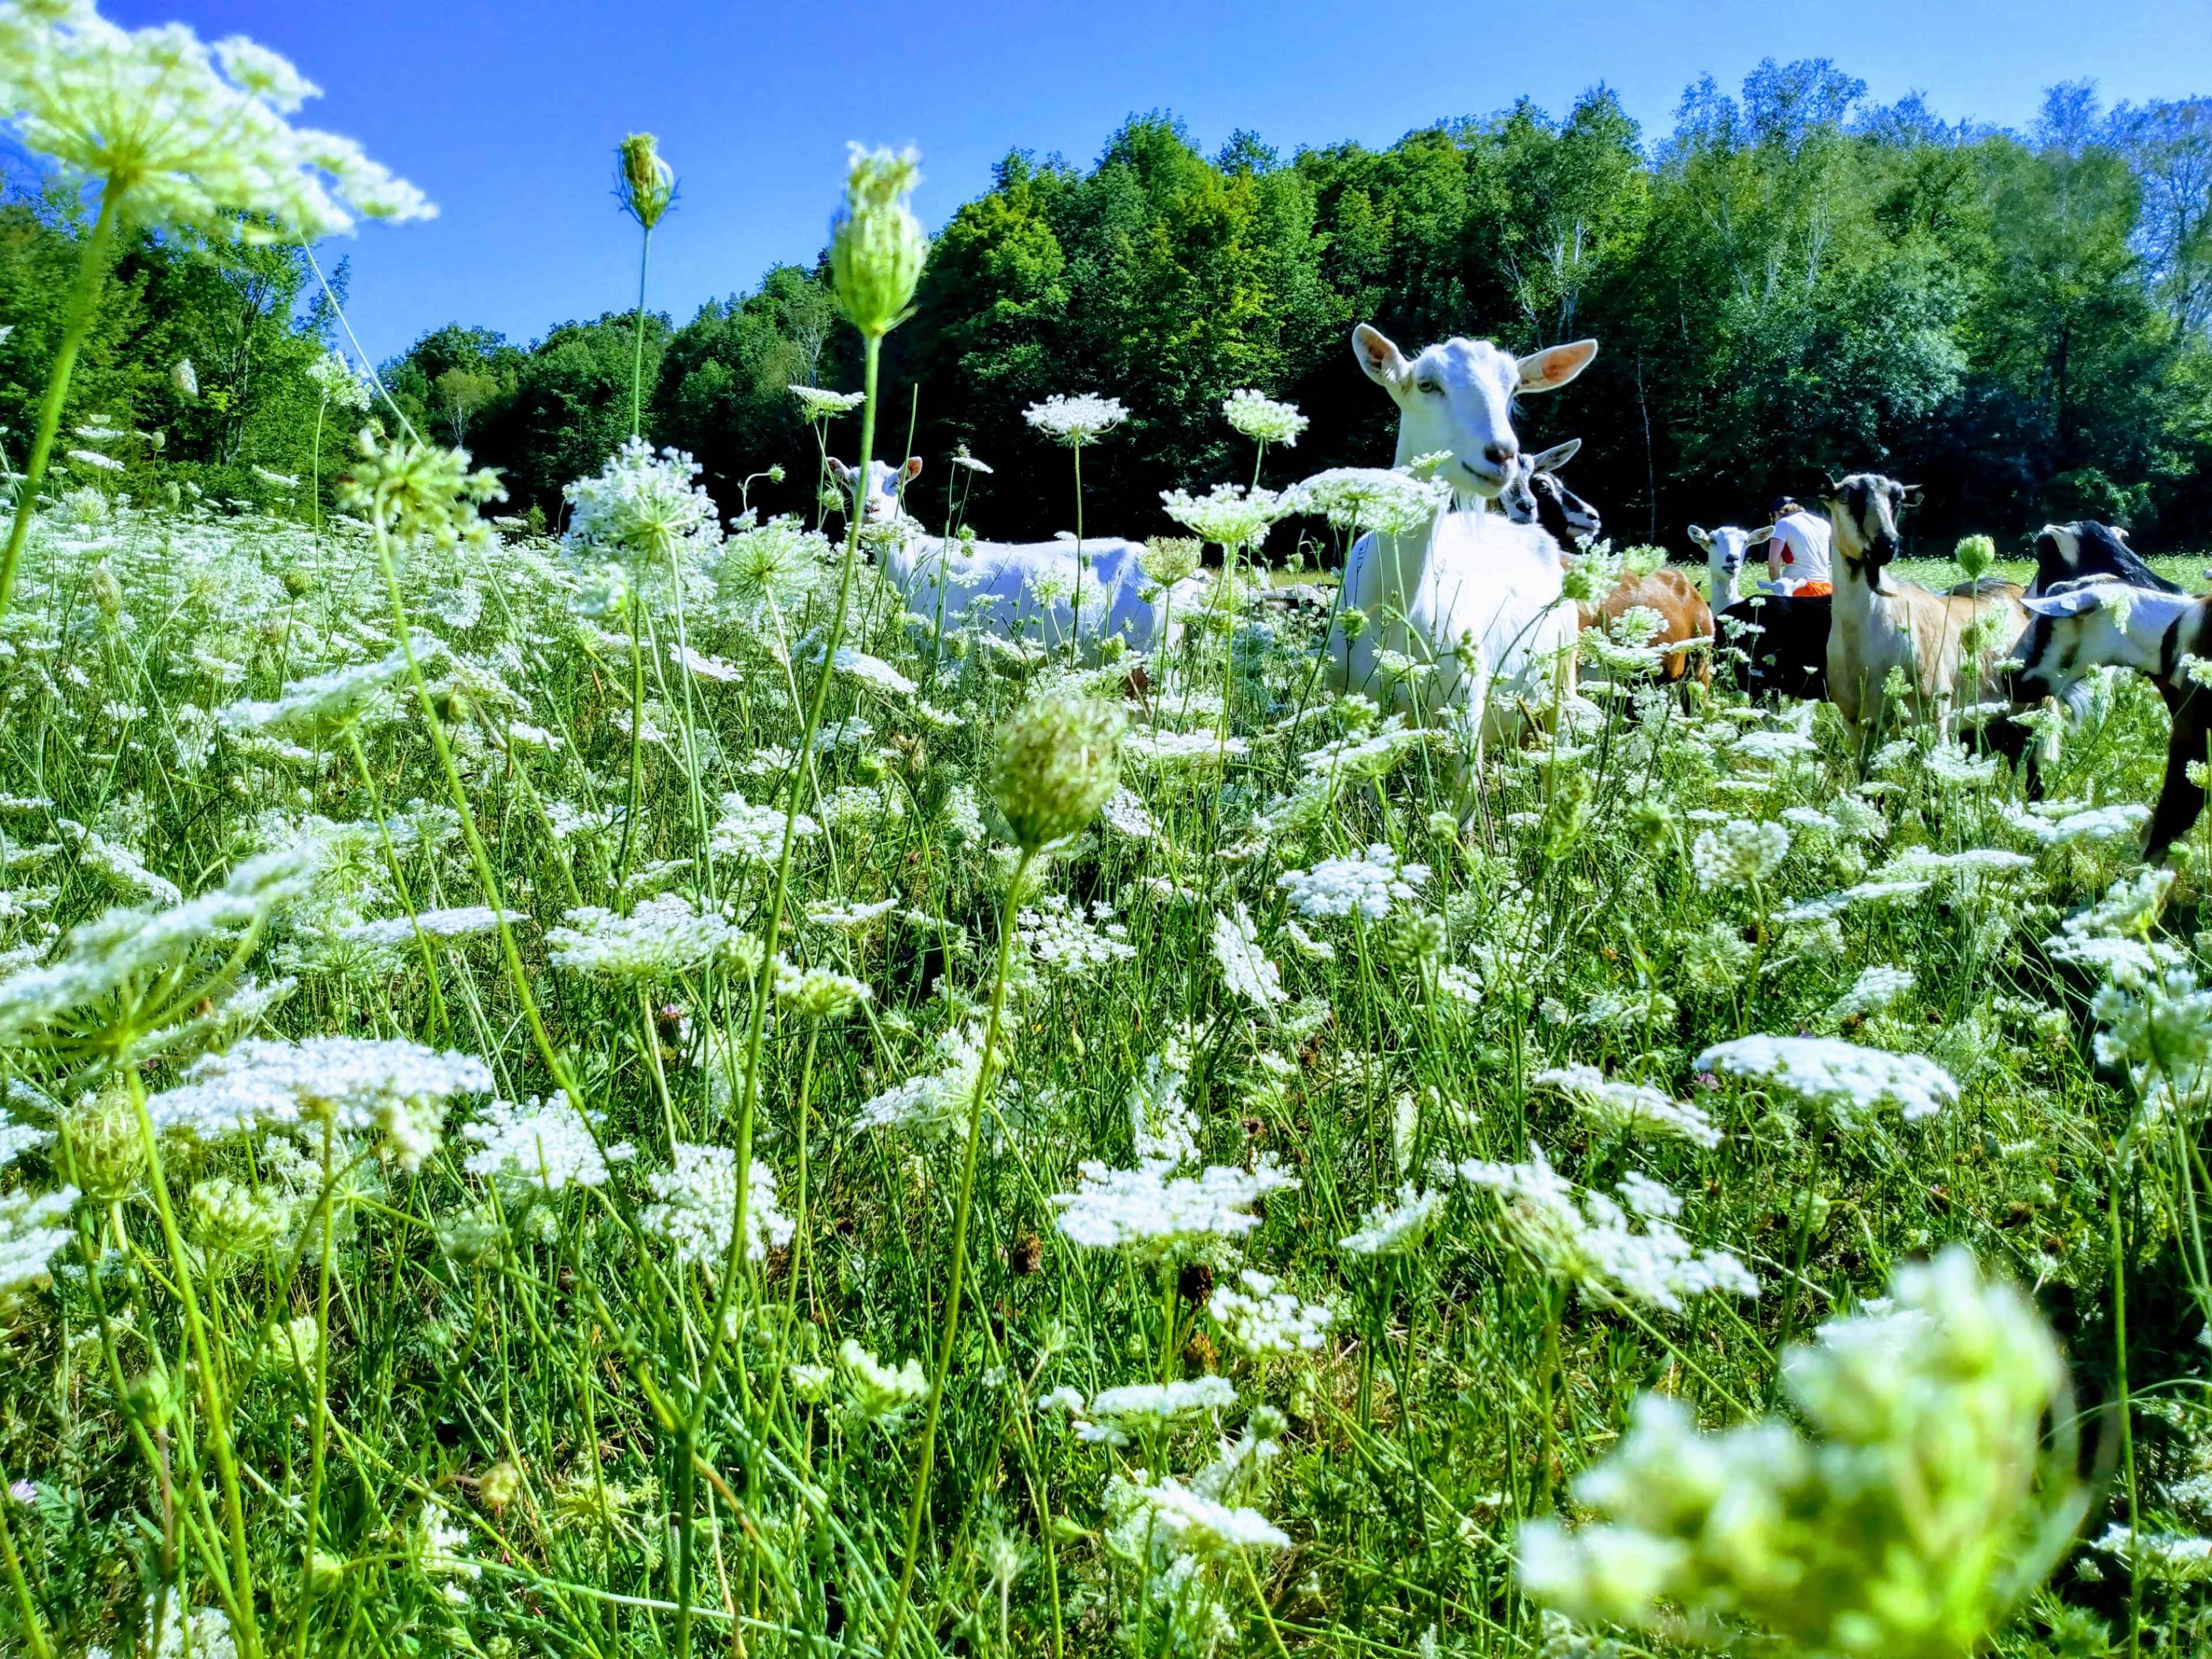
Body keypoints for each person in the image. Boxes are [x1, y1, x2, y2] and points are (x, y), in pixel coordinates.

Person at [1765, 495, 1833, 596]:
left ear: (1776, 514)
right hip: (1827, 590)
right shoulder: (1824, 524)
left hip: (1800, 590)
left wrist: (1777, 588)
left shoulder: (1783, 524)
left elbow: (1773, 566)